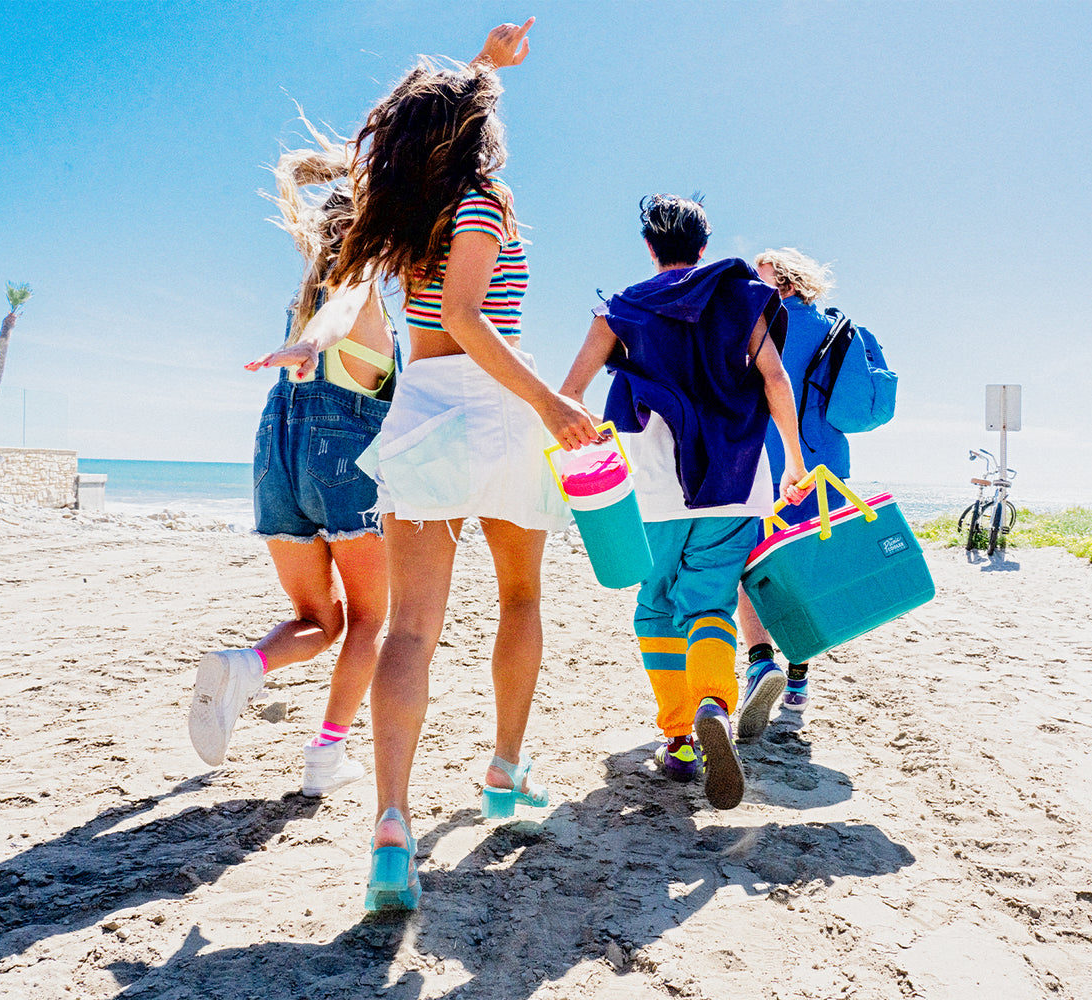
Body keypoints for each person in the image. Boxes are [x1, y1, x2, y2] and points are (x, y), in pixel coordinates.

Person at [256, 18, 598, 912]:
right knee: (520, 599)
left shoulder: (404, 209)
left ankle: (393, 827)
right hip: (496, 414)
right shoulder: (485, 200)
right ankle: (503, 773)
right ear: (477, 138)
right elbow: (469, 314)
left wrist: (486, 66)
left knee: (410, 631)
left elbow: (438, 132)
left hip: (423, 417)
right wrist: (553, 403)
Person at [559, 195, 810, 811]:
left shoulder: (622, 308)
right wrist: (796, 463)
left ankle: (677, 739)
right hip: (734, 482)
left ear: (650, 247)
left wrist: (600, 446)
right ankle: (713, 703)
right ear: (704, 245)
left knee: (655, 608)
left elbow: (569, 394)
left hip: (650, 487)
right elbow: (775, 380)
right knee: (712, 606)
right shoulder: (743, 297)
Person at [186, 131, 399, 797]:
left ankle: (246, 666)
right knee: (367, 620)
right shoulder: (354, 290)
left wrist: (302, 341)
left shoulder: (299, 296)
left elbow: (325, 303)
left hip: (273, 457)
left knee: (321, 620)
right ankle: (326, 759)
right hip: (341, 460)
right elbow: (344, 304)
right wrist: (311, 342)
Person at [735, 248, 884, 734]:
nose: (753, 291)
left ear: (787, 284)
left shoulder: (756, 328)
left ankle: (761, 660)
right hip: (828, 468)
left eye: (762, 282)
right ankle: (798, 679)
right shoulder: (841, 328)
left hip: (766, 466)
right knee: (808, 569)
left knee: (749, 568)